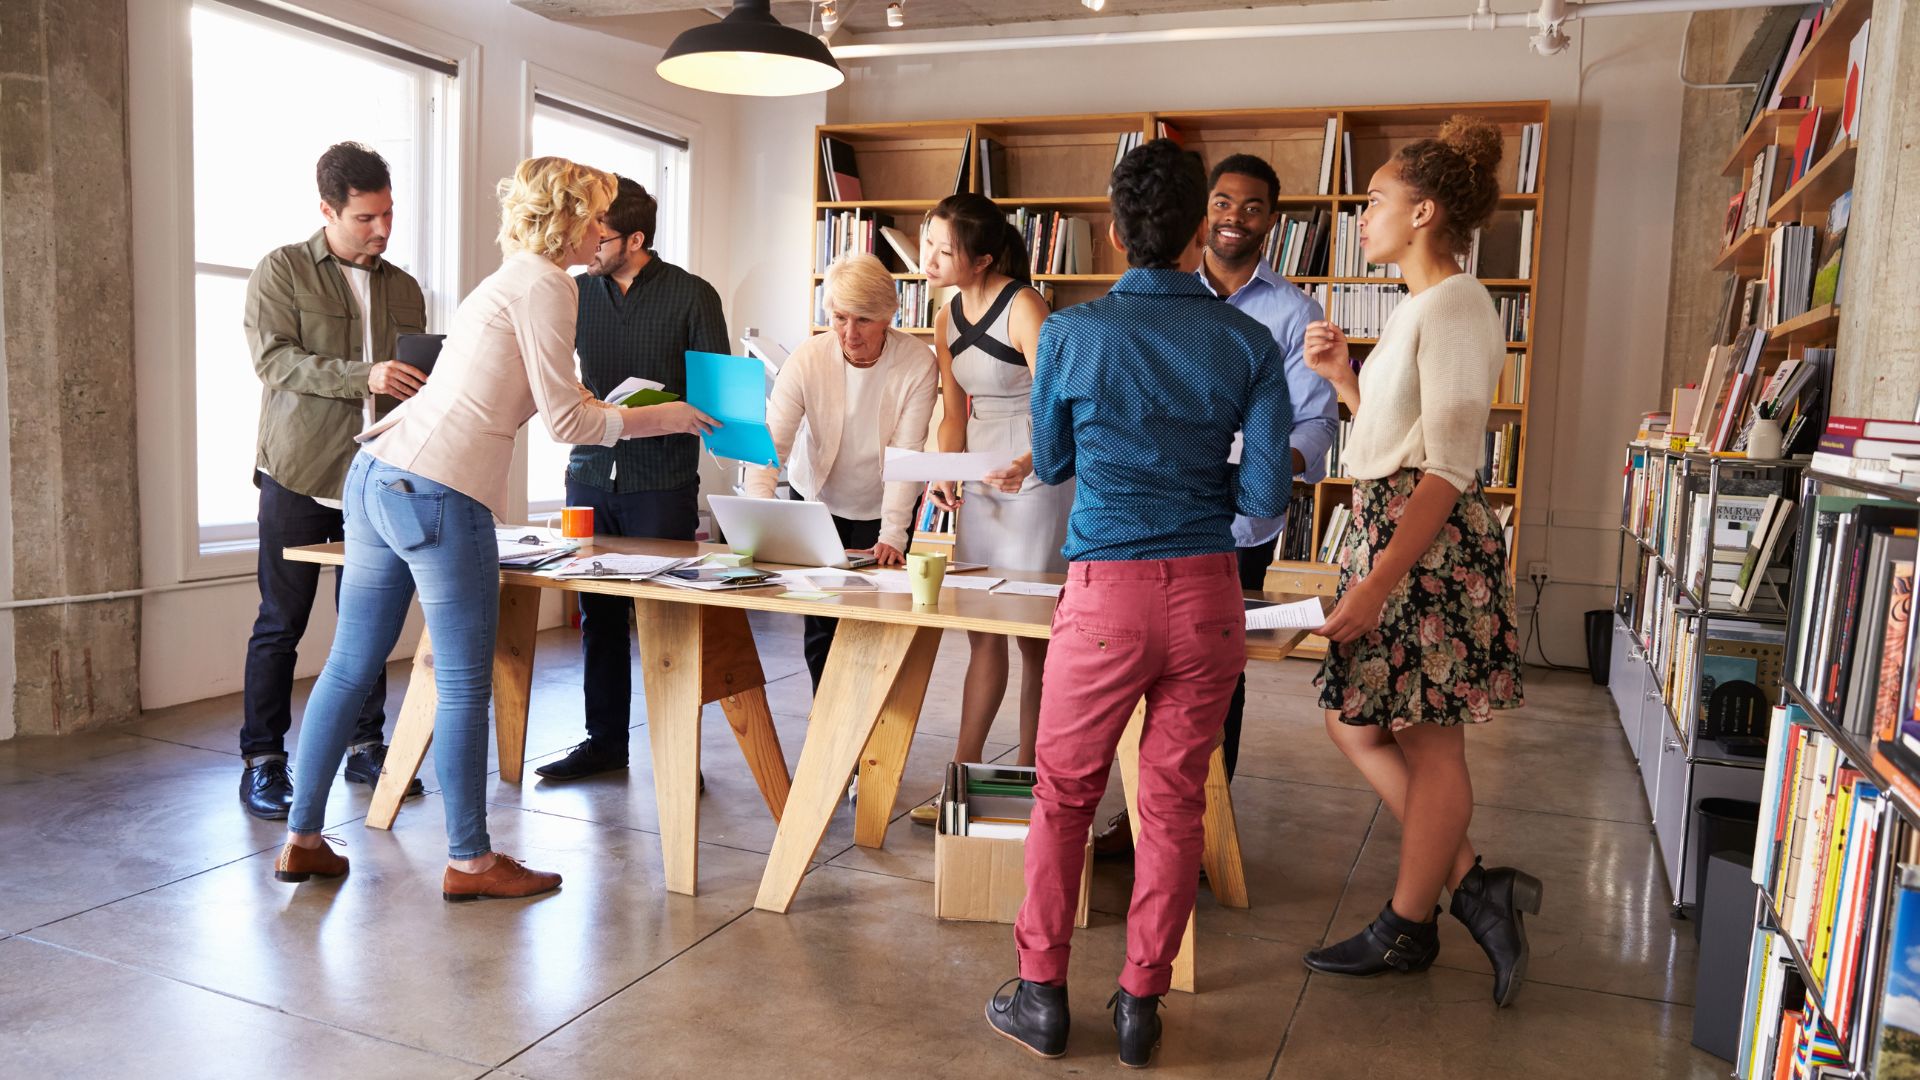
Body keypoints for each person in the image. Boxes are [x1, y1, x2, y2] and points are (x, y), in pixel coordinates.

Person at [272, 157, 717, 901]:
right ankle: (471, 861)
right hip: (440, 488)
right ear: (572, 219)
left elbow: (539, 388)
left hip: (380, 471)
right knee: (464, 680)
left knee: (351, 665)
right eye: (597, 214)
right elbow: (567, 420)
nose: (604, 229)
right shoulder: (549, 286)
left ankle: (302, 839)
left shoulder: (513, 275)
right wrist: (664, 417)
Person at [985, 139, 1293, 1069]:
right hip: (1208, 597)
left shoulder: (1073, 335)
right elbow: (1263, 499)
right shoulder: (1248, 341)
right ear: (1202, 229)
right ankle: (1140, 1006)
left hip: (1105, 597)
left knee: (1065, 794)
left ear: (1114, 233)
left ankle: (1041, 995)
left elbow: (1055, 459)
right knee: (1172, 805)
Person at [1298, 116, 1538, 1007]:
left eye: (1376, 200)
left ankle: (1409, 928)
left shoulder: (1461, 304)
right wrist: (1345, 382)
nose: (1364, 216)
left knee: (1425, 739)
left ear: (1425, 210)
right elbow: (1396, 436)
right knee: (1358, 723)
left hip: (1422, 545)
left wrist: (1376, 581)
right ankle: (1474, 884)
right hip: (1395, 529)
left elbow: (1448, 466)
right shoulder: (1418, 307)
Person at [1093, 153, 1340, 855]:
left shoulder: (1293, 314)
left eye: (1252, 207)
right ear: (1202, 215)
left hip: (1238, 526)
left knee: (1213, 686)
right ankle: (1141, 823)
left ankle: (1193, 833)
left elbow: (1314, 428)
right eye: (1223, 204)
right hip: (1150, 518)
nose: (1236, 219)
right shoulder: (1150, 293)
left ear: (1274, 220)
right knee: (1135, 669)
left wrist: (1241, 460)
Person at [239, 141, 429, 820]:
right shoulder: (282, 271)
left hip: (378, 479)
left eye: (387, 216)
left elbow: (414, 385)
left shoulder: (404, 287)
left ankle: (366, 746)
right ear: (327, 210)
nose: (380, 230)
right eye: (365, 219)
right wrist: (363, 376)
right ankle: (263, 760)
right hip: (297, 473)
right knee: (280, 622)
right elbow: (274, 361)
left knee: (368, 625)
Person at [536, 177, 730, 782]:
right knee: (597, 617)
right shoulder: (573, 291)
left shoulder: (694, 296)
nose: (590, 243)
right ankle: (604, 745)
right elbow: (550, 379)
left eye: (602, 234)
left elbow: (717, 397)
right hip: (589, 474)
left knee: (667, 621)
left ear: (636, 238)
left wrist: (664, 409)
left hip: (662, 480)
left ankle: (678, 756)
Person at [911, 194, 1066, 820]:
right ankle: (962, 777)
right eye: (928, 245)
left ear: (982, 258)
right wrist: (945, 476)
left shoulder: (1026, 307)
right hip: (980, 482)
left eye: (943, 250)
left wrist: (1027, 464)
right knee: (981, 634)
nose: (929, 260)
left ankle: (1035, 784)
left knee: (1033, 639)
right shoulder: (946, 315)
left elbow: (1060, 407)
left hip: (1036, 481)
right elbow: (955, 414)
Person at [743, 253, 938, 691]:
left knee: (879, 619)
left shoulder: (916, 363)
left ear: (890, 315)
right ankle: (826, 720)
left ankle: (868, 729)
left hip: (883, 502)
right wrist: (756, 517)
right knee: (823, 622)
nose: (850, 333)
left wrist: (892, 532)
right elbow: (772, 441)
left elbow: (907, 452)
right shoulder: (809, 358)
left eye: (864, 320)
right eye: (839, 317)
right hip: (818, 498)